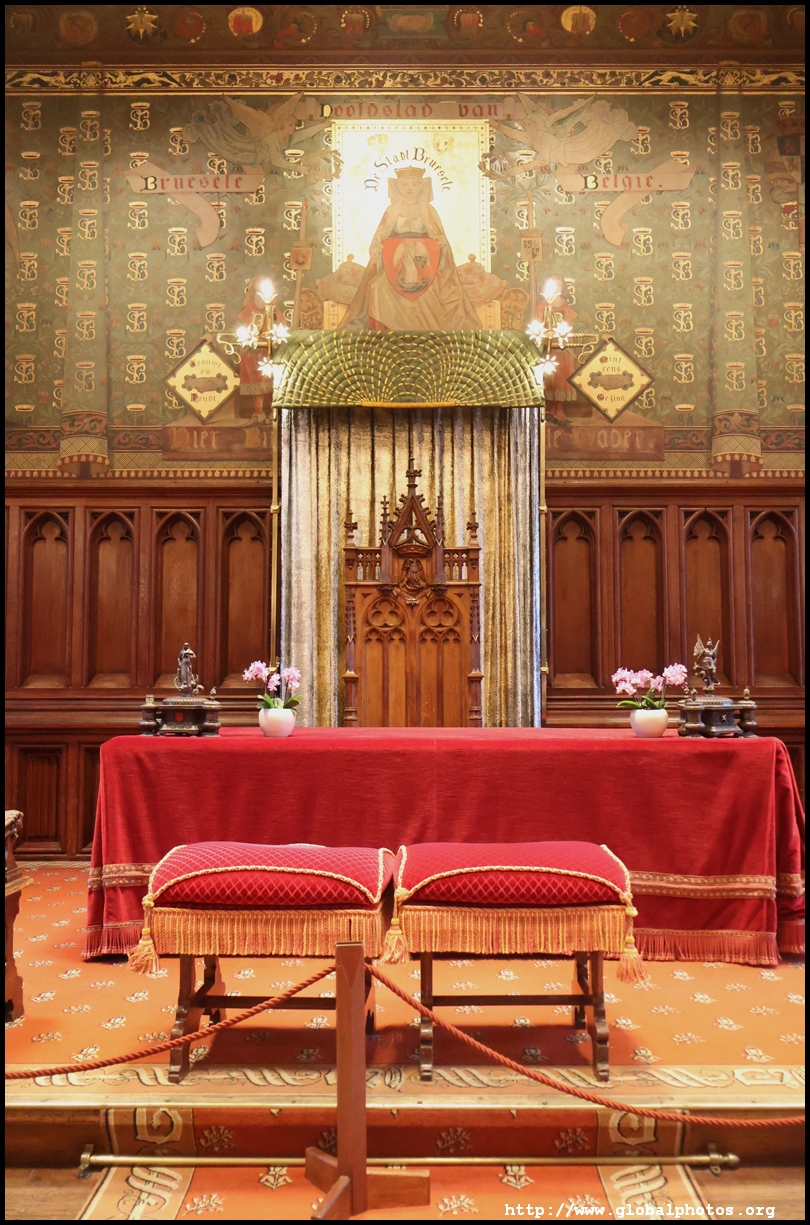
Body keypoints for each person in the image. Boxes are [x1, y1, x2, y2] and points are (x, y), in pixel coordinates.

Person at [340, 166, 480, 331]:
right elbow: (380, 235)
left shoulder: (428, 210)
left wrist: (441, 242)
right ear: (398, 186)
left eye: (414, 184)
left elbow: (439, 238)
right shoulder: (392, 210)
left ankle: (426, 334)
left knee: (428, 291)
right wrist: (378, 245)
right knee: (377, 286)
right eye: (405, 184)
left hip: (423, 265)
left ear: (421, 186)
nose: (410, 189)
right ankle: (383, 334)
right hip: (396, 265)